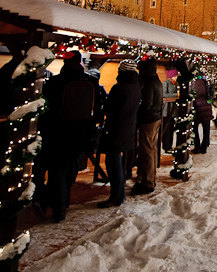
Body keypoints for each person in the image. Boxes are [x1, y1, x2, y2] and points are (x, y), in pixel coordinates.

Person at [39, 51, 98, 221]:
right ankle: (62, 203)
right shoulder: (90, 82)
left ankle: (58, 208)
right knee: (68, 170)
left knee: (56, 171)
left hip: (57, 133)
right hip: (80, 135)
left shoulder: (56, 82)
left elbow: (46, 107)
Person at [97, 60, 141, 207]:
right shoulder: (136, 86)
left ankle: (116, 196)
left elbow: (110, 108)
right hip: (128, 129)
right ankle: (119, 194)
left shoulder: (119, 88)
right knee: (118, 163)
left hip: (116, 130)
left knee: (113, 163)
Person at [132, 58, 163, 196]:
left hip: (148, 119)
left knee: (147, 150)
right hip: (155, 118)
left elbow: (147, 104)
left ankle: (148, 181)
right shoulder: (157, 81)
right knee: (151, 149)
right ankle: (149, 178)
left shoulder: (149, 83)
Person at [192, 73, 213, 153]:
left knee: (195, 128)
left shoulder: (194, 84)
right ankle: (204, 147)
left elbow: (194, 95)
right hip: (207, 107)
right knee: (206, 129)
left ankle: (197, 147)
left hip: (198, 108)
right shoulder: (205, 83)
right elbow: (210, 94)